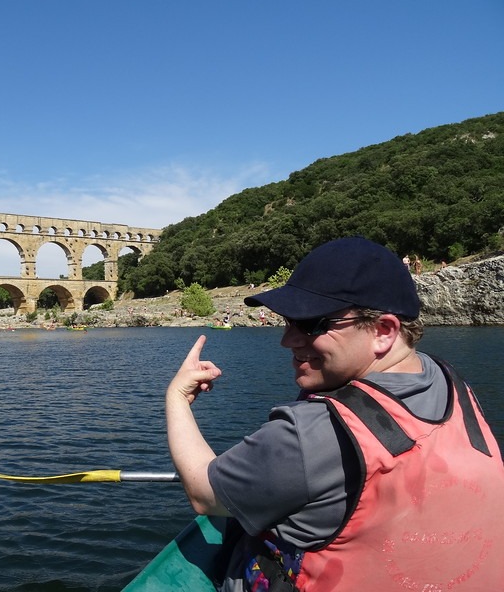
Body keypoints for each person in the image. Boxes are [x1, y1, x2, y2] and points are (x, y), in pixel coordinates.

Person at [166, 237, 504, 591]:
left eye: (311, 323)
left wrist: (176, 396)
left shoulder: (311, 433)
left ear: (383, 331)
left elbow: (203, 494)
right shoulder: (450, 381)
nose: (287, 339)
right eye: (287, 320)